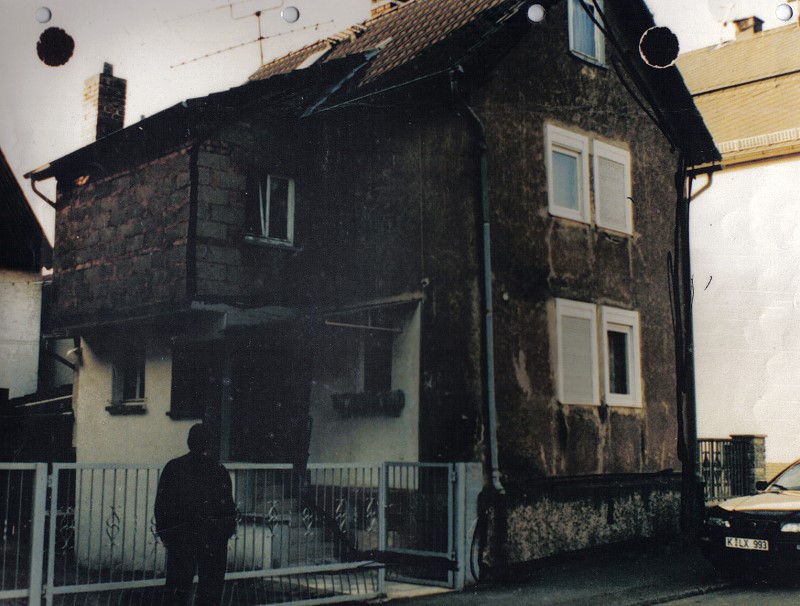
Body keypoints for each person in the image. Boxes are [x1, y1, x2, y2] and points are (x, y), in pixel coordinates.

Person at [154, 424, 236, 606]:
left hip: (181, 538)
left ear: (189, 442)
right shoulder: (219, 470)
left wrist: (165, 534)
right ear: (210, 444)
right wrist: (225, 534)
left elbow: (162, 505)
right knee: (210, 593)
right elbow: (227, 508)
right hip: (212, 540)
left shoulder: (173, 467)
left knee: (177, 592)